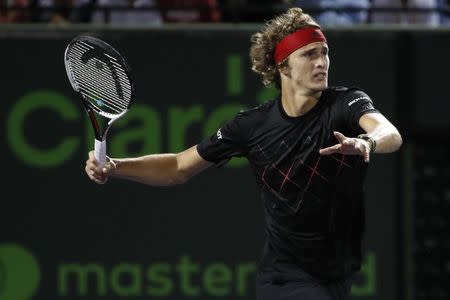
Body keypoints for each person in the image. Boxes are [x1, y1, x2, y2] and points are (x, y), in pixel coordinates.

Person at [85, 7, 402, 300]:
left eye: (324, 53)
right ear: (283, 67)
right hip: (285, 277)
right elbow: (179, 166)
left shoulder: (345, 103)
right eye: (309, 55)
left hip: (339, 273)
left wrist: (367, 142)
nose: (321, 62)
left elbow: (390, 133)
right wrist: (114, 167)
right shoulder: (250, 126)